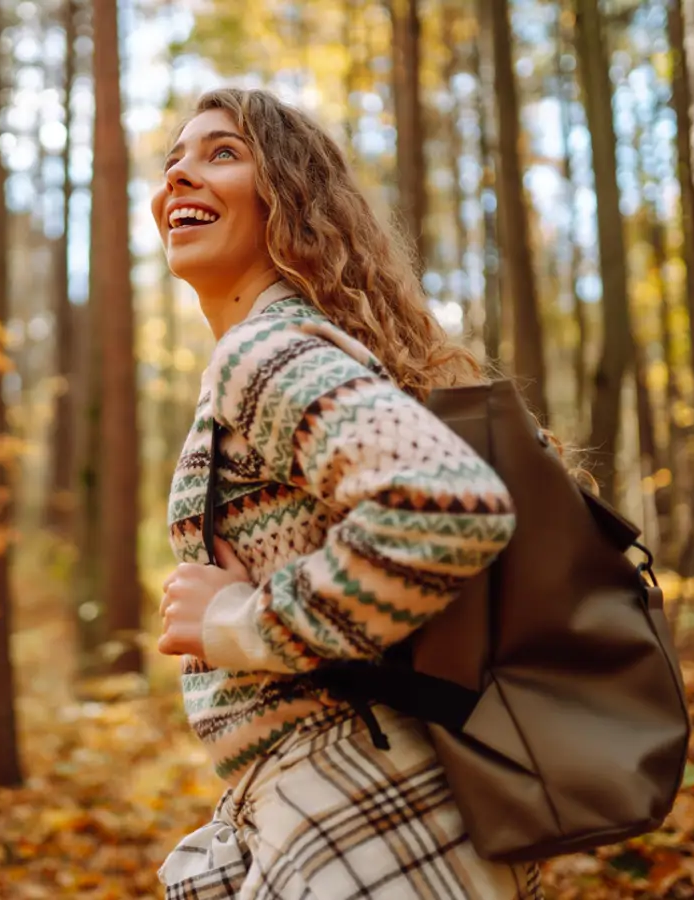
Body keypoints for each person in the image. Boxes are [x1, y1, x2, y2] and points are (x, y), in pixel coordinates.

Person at [151, 87, 544, 900]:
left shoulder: (266, 348)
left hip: (370, 813)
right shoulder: (278, 348)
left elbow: (447, 505)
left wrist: (236, 621)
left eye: (221, 153)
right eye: (174, 161)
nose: (180, 177)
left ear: (286, 199)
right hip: (356, 809)